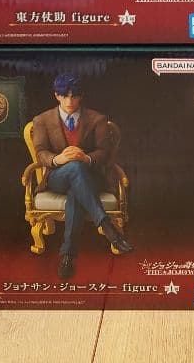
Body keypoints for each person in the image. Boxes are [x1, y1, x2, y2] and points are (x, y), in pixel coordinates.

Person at [31, 73, 134, 281]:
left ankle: (67, 256)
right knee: (74, 169)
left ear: (81, 96)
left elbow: (104, 152)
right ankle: (106, 225)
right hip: (57, 176)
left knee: (76, 190)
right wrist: (59, 159)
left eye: (74, 95)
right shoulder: (42, 120)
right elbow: (40, 152)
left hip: (90, 177)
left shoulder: (97, 119)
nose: (69, 101)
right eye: (64, 95)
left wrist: (85, 158)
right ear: (56, 95)